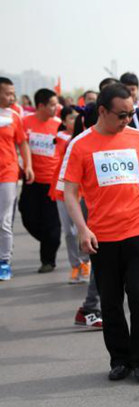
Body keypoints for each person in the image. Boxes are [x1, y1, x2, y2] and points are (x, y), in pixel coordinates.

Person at [60, 83, 139, 383]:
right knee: (111, 302)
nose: (127, 120)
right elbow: (70, 192)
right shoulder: (81, 145)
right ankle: (120, 359)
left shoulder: (137, 138)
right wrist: (82, 228)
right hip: (102, 236)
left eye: (131, 113)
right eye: (122, 115)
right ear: (102, 111)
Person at [20, 88, 62, 273]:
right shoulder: (25, 122)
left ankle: (48, 260)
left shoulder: (58, 125)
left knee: (52, 224)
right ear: (40, 106)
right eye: (52, 105)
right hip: (32, 180)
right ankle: (48, 239)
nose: (56, 108)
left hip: (52, 182)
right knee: (27, 216)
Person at [50, 105, 90, 283]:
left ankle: (85, 262)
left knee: (81, 230)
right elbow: (65, 146)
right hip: (62, 189)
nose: (74, 120)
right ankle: (75, 265)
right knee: (68, 232)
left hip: (82, 190)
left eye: (77, 118)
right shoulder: (62, 137)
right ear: (64, 121)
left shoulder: (85, 139)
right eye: (71, 117)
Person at [0, 77, 33, 280]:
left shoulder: (14, 116)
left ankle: (4, 262)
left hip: (8, 172)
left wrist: (27, 165)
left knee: (4, 219)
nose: (11, 97)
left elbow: (22, 144)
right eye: (7, 93)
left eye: (13, 93)